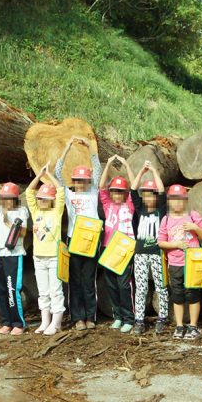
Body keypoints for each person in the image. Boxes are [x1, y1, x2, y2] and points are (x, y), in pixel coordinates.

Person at [54, 137, 102, 331]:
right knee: (75, 280)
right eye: (78, 180)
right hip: (73, 239)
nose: (81, 183)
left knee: (89, 280)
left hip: (91, 240)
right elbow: (57, 173)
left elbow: (97, 168)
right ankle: (78, 318)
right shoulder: (68, 194)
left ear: (88, 181)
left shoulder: (93, 192)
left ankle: (90, 316)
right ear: (73, 181)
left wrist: (90, 148)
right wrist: (66, 148)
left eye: (84, 180)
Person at [158, 184, 202, 340]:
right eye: (174, 199)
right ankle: (179, 326)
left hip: (192, 264)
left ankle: (193, 326)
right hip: (175, 264)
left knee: (193, 294)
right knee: (177, 295)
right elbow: (160, 242)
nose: (177, 203)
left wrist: (195, 227)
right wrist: (176, 245)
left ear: (186, 200)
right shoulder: (166, 219)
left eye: (180, 199)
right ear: (169, 201)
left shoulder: (193, 215)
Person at [0, 182, 29, 335]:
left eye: (9, 198)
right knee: (1, 289)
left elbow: (22, 233)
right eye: (3, 198)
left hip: (13, 255)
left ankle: (18, 323)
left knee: (12, 289)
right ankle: (6, 321)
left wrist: (8, 220)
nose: (6, 201)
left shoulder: (21, 211)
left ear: (15, 199)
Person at [24, 166, 66, 336]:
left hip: (54, 256)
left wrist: (50, 175)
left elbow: (61, 191)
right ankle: (45, 321)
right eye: (40, 198)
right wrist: (39, 175)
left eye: (46, 198)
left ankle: (56, 323)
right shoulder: (36, 212)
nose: (42, 201)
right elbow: (28, 192)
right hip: (38, 257)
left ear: (52, 200)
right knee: (43, 291)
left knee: (56, 290)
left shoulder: (57, 212)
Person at [98, 156, 137, 333]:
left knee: (123, 285)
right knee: (112, 285)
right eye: (114, 191)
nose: (116, 194)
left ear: (125, 193)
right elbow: (101, 186)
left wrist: (127, 165)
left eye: (120, 191)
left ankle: (129, 317)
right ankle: (118, 316)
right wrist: (107, 164)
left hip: (124, 248)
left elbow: (134, 185)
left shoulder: (129, 205)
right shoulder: (107, 205)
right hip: (108, 248)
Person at [129, 161, 169, 335]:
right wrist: (141, 171)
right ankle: (139, 320)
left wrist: (153, 171)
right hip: (140, 254)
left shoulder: (161, 210)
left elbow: (161, 191)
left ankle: (163, 318)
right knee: (141, 287)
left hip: (157, 253)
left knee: (161, 286)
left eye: (151, 195)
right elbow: (132, 190)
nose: (148, 198)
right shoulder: (140, 209)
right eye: (145, 195)